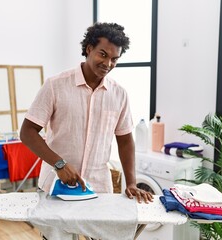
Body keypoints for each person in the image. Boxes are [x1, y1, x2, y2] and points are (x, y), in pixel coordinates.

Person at [20, 22, 153, 204]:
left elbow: (125, 140)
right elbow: (27, 132)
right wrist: (60, 164)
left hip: (99, 188)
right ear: (89, 49)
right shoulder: (55, 86)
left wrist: (131, 183)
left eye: (114, 59)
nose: (108, 64)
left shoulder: (119, 94)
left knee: (101, 234)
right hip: (55, 185)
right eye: (103, 55)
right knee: (57, 234)